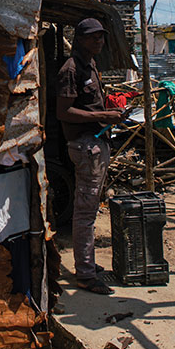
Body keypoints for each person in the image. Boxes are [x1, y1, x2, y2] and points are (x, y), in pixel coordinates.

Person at [56, 17, 129, 295]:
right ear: (80, 39)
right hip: (84, 147)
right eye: (93, 37)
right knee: (85, 213)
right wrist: (103, 115)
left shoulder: (91, 65)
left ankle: (87, 264)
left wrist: (111, 111)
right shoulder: (71, 69)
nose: (99, 41)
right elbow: (64, 112)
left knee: (90, 209)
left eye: (101, 37)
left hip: (96, 143)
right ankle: (85, 274)